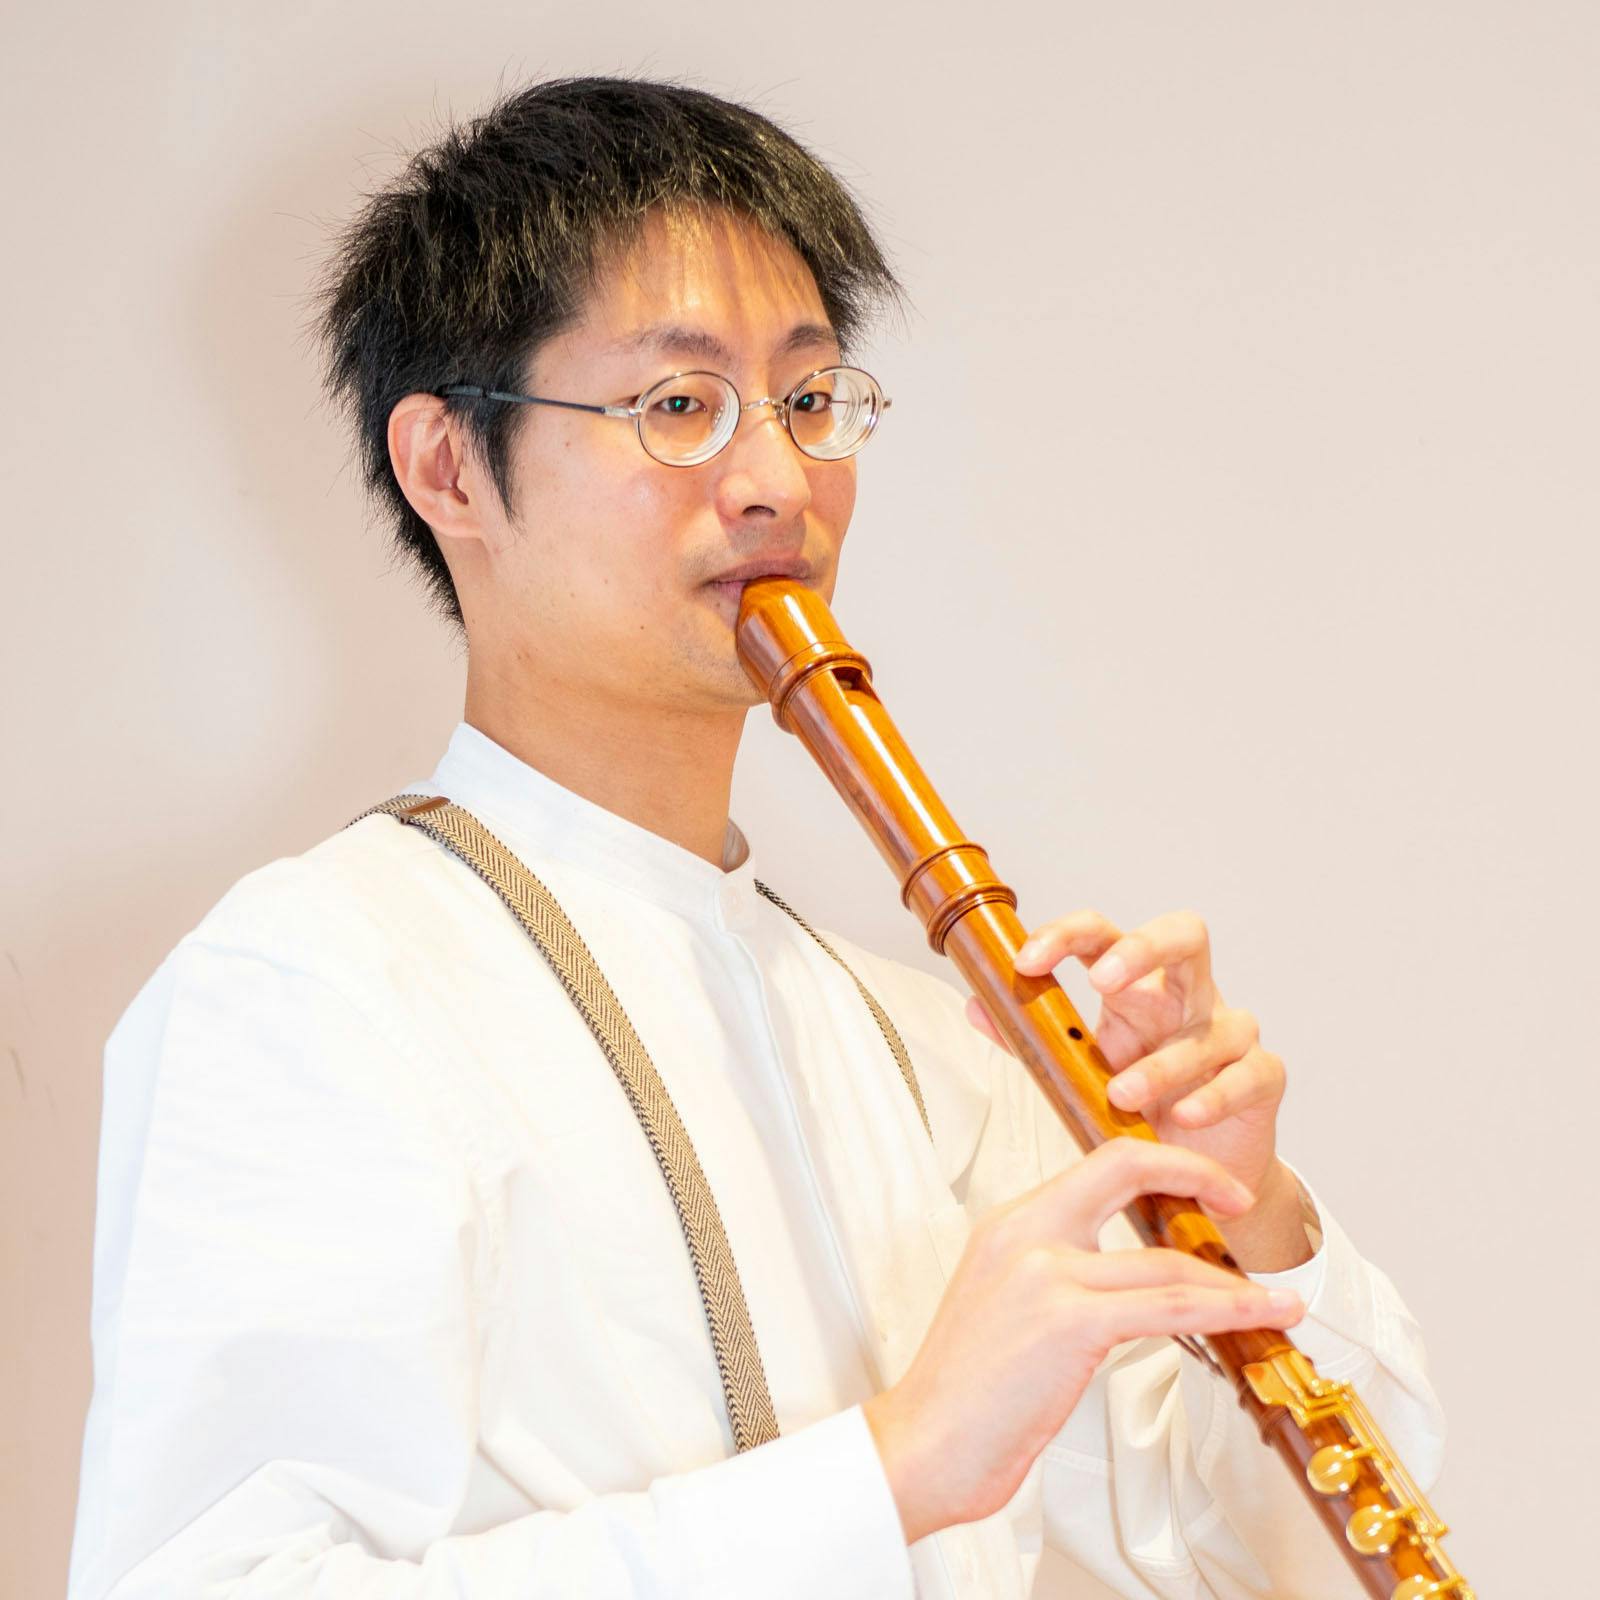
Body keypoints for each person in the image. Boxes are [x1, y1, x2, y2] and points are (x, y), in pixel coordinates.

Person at [66, 76, 1445, 1599]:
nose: (781, 483)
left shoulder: (920, 1042)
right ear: (448, 466)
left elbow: (1264, 1564)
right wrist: (894, 1467)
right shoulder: (310, 981)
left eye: (807, 399)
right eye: (681, 406)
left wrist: (1247, 1219)